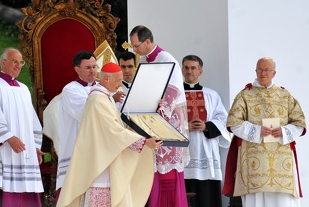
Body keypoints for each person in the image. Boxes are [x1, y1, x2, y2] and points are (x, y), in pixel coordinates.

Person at [57, 62, 163, 207]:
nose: (120, 85)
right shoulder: (97, 100)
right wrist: (143, 142)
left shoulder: (105, 98)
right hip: (101, 161)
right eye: (118, 80)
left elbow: (120, 125)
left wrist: (152, 109)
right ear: (106, 79)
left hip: (108, 158)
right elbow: (112, 132)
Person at [223, 57, 306, 207]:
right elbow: (233, 123)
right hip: (254, 159)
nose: (263, 73)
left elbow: (300, 124)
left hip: (281, 161)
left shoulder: (285, 95)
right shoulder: (245, 95)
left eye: (266, 70)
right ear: (255, 71)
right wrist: (256, 131)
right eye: (260, 69)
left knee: (283, 202)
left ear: (274, 73)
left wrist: (284, 131)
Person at [129, 25, 190, 207]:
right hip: (151, 120)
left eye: (136, 46)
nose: (135, 50)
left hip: (167, 121)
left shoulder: (167, 59)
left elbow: (173, 90)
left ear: (147, 41)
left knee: (166, 170)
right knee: (151, 168)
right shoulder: (144, 61)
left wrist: (159, 112)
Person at [0, 47, 44, 207]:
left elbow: (31, 119)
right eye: (14, 61)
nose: (18, 65)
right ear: (3, 62)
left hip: (24, 152)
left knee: (26, 192)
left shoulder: (23, 89)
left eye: (21, 62)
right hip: (4, 150)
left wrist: (35, 146)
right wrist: (8, 137)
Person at [44, 51, 98, 199]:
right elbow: (87, 113)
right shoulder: (71, 89)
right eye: (88, 67)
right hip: (77, 146)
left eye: (94, 66)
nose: (93, 71)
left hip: (98, 147)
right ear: (77, 69)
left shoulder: (102, 88)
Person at [182, 55, 231, 207]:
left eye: (193, 68)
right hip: (183, 153)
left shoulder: (211, 95)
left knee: (207, 199)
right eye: (186, 67)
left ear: (200, 71)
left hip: (206, 151)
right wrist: (184, 126)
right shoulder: (174, 95)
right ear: (182, 70)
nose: (189, 71)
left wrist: (207, 126)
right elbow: (166, 121)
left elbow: (223, 119)